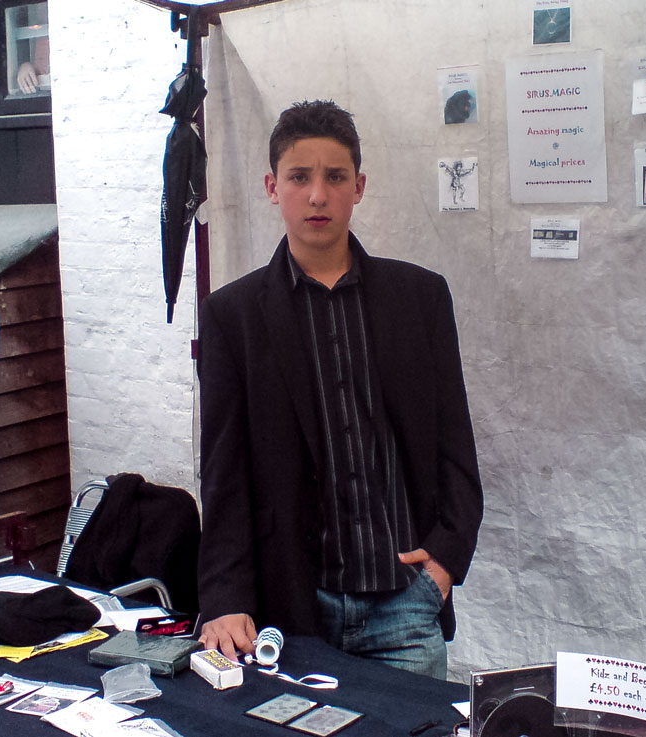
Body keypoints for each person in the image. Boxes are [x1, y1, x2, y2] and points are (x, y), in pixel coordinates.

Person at [196, 100, 483, 679]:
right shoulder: (234, 316)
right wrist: (225, 597)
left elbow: (455, 444)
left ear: (360, 187)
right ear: (273, 187)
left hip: (405, 605)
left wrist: (446, 560)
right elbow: (223, 474)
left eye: (335, 177)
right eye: (300, 178)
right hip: (292, 609)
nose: (318, 196)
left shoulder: (420, 299)